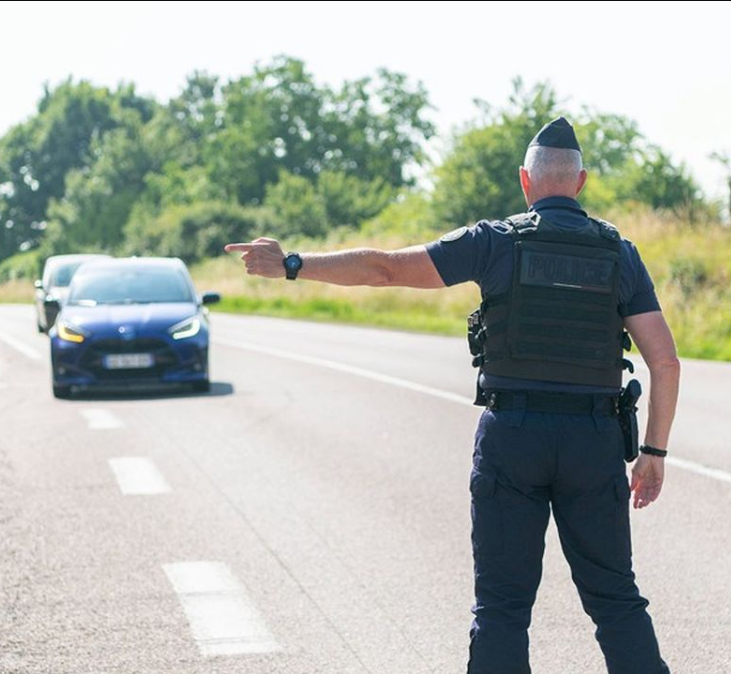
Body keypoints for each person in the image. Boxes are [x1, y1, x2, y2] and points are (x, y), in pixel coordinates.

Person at [224, 116, 680, 674]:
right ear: (580, 183)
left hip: (513, 438)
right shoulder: (619, 253)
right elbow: (665, 361)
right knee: (616, 601)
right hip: (593, 440)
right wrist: (653, 452)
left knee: (502, 608)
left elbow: (385, 269)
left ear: (525, 181)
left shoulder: (494, 241)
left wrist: (291, 264)